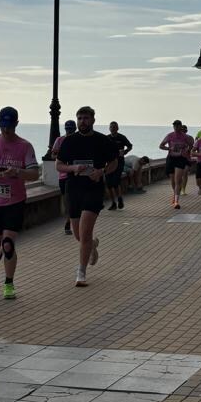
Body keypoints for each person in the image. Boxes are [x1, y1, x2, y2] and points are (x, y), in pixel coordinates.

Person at [0, 108, 39, 301]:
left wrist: (16, 172)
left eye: (10, 127)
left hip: (15, 202)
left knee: (8, 244)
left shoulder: (25, 146)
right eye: (3, 126)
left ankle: (9, 283)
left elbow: (35, 174)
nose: (6, 130)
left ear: (16, 124)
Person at [56, 106, 114, 286]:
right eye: (80, 118)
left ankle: (81, 272)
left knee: (85, 231)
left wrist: (101, 171)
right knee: (79, 235)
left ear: (93, 120)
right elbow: (59, 165)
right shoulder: (69, 141)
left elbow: (114, 162)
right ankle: (92, 246)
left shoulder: (102, 140)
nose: (83, 121)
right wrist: (73, 168)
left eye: (86, 118)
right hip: (73, 189)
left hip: (93, 189)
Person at [160, 120, 194, 209]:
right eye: (174, 126)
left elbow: (191, 145)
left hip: (180, 159)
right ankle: (175, 195)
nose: (175, 127)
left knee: (178, 180)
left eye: (177, 126)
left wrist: (186, 150)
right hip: (171, 158)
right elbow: (161, 146)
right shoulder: (170, 135)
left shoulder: (185, 136)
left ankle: (176, 202)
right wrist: (169, 148)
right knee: (173, 181)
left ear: (180, 126)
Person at [53, 119, 77, 233]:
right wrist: (60, 156)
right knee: (66, 199)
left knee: (72, 199)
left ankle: (69, 221)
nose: (69, 132)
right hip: (63, 175)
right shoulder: (59, 140)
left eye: (71, 130)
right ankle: (69, 219)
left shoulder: (78, 140)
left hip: (76, 175)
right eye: (67, 129)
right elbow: (53, 154)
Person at [105, 121, 133, 210]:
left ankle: (120, 198)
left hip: (119, 162)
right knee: (109, 184)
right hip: (109, 163)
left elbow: (130, 146)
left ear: (117, 128)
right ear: (109, 128)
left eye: (114, 127)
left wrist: (125, 152)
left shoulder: (121, 137)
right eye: (111, 127)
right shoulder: (107, 138)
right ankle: (113, 203)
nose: (112, 128)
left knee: (116, 182)